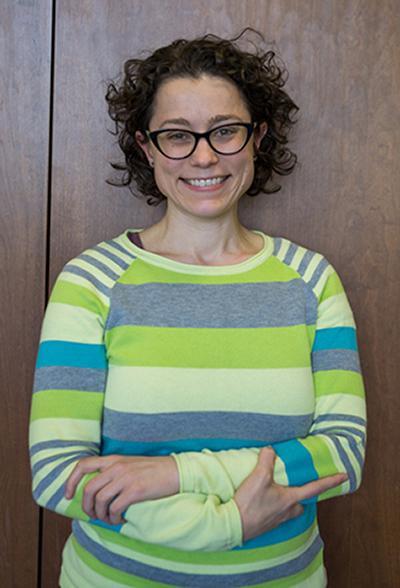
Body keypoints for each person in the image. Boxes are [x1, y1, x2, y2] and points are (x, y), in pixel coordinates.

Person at [30, 30, 366, 587]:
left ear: (257, 137)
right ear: (146, 147)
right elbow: (57, 475)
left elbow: (342, 455)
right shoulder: (92, 282)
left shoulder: (311, 280)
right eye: (177, 136)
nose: (205, 155)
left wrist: (174, 473)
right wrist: (226, 524)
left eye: (226, 131)